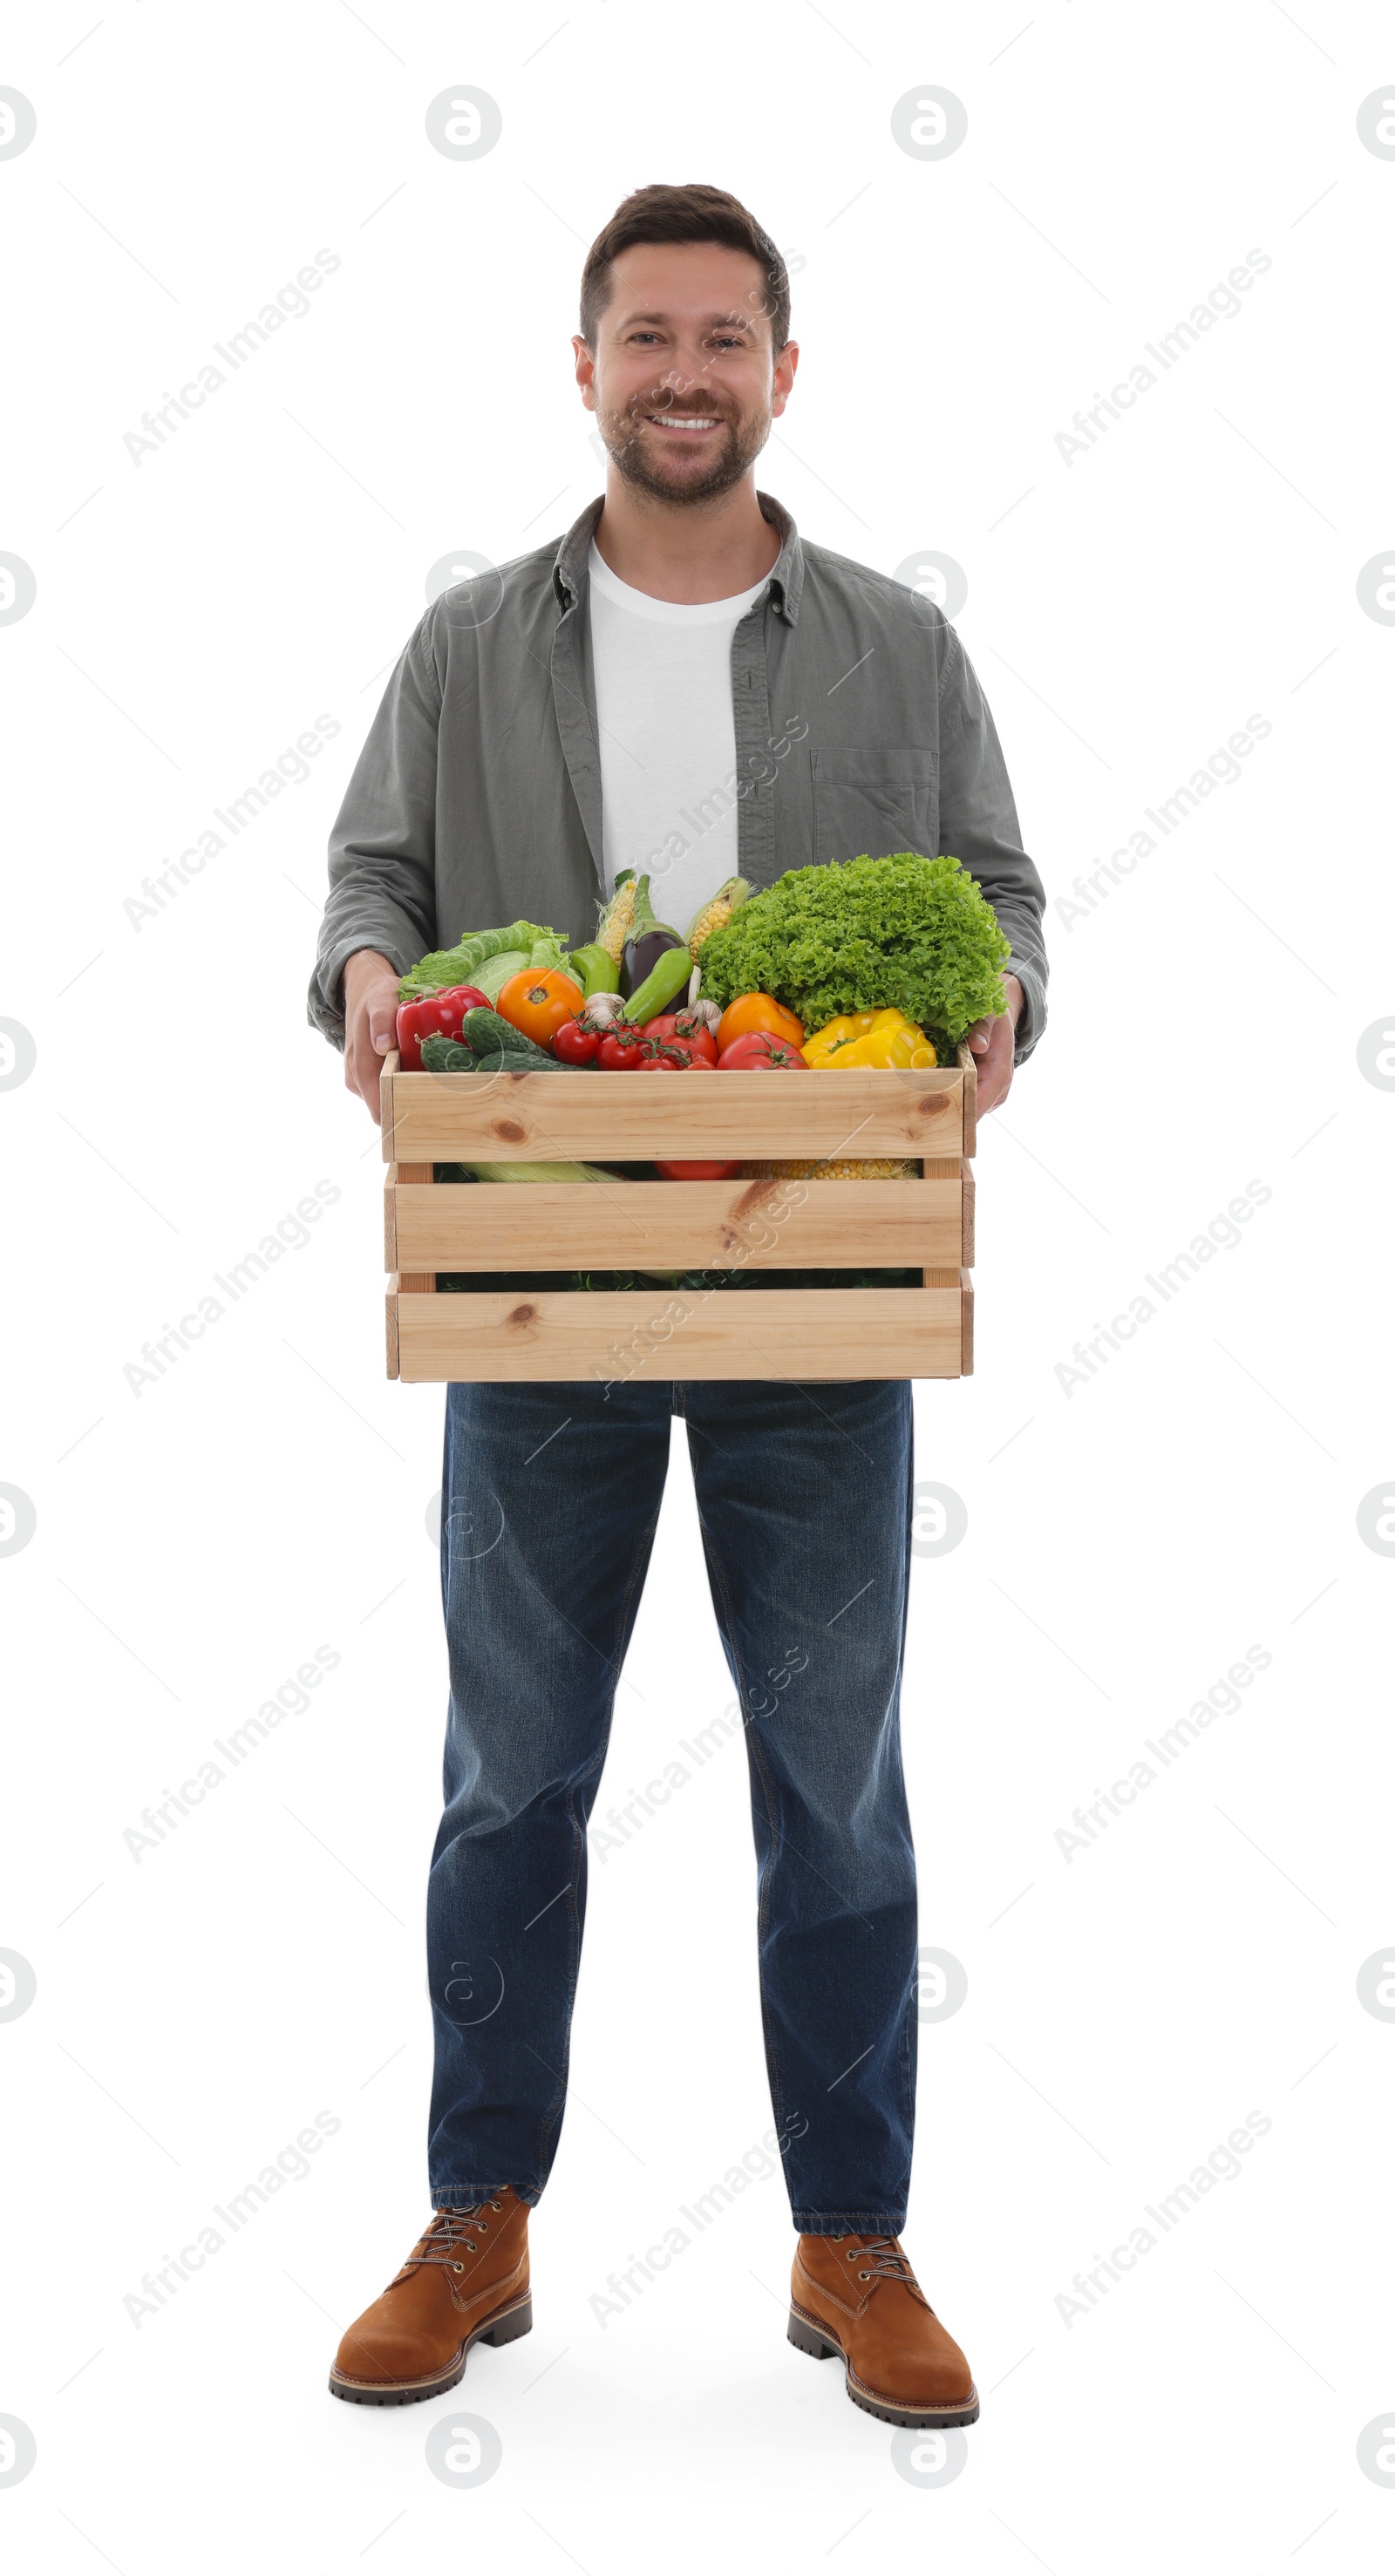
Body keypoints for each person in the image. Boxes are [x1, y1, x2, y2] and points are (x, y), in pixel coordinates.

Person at [310, 182, 1047, 2428]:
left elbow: (1007, 898)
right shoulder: (469, 648)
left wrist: (1007, 998)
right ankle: (479, 2219)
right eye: (649, 335)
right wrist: (358, 974)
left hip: (820, 1277)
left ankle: (852, 2238)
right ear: (588, 366)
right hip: (537, 1272)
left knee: (834, 1777)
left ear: (782, 373)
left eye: (726, 336)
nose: (686, 372)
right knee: (510, 1780)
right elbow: (371, 878)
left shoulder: (897, 647)